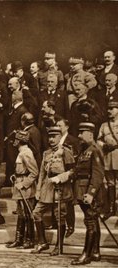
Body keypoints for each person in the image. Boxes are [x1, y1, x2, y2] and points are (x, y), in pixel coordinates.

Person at [31, 126, 75, 255]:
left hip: (60, 188)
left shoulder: (66, 151)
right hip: (47, 187)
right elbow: (41, 174)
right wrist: (38, 189)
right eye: (49, 137)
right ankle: (42, 242)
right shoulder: (46, 153)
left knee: (59, 217)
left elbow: (73, 171)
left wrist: (61, 177)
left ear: (60, 137)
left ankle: (59, 246)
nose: (51, 139)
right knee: (36, 213)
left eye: (54, 137)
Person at [70, 122, 104, 265]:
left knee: (90, 222)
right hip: (82, 189)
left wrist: (91, 193)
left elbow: (98, 174)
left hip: (89, 192)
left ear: (90, 134)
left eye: (81, 133)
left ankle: (86, 255)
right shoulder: (85, 149)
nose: (78, 136)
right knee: (92, 220)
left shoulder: (94, 150)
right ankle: (95, 252)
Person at [6, 130, 38, 249]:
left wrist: (24, 183)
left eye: (16, 139)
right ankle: (19, 239)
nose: (14, 141)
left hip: (26, 189)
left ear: (19, 141)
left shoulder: (26, 153)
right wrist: (16, 176)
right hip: (19, 185)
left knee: (28, 214)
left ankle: (29, 240)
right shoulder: (21, 152)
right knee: (21, 214)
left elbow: (34, 172)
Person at [97, 101, 118, 220]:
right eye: (109, 109)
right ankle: (111, 209)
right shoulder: (104, 125)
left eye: (113, 108)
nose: (110, 111)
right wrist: (104, 145)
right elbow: (98, 139)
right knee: (110, 183)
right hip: (108, 156)